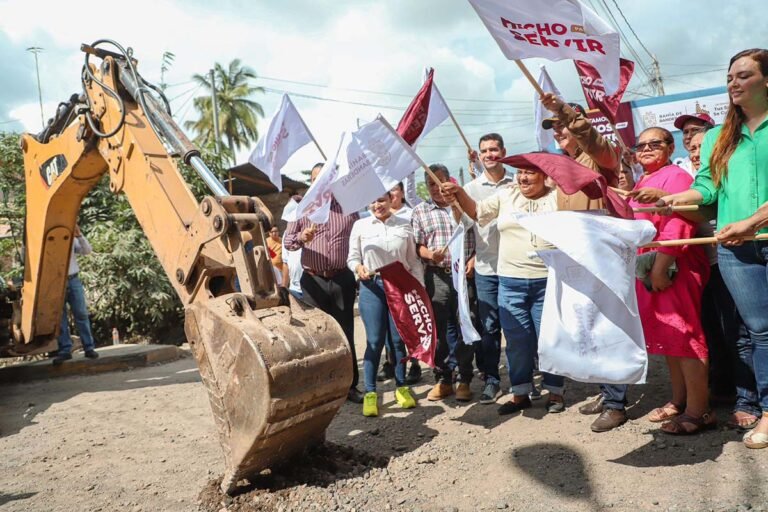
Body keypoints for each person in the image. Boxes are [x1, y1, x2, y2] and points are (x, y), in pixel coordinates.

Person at [659, 48, 768, 447]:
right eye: (730, 78)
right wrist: (676, 198)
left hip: (755, 233)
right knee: (760, 332)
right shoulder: (718, 138)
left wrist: (753, 221)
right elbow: (707, 188)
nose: (734, 83)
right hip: (736, 250)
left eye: (744, 75)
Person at [442, 167, 565, 415]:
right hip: (510, 282)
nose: (523, 177)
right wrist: (459, 193)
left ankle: (555, 392)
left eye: (530, 173)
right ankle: (520, 394)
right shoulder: (506, 194)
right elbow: (477, 212)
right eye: (520, 173)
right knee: (517, 342)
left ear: (543, 176)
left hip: (547, 282)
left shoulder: (558, 198)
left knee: (548, 340)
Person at [540, 93, 627, 432]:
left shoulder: (600, 157)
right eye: (554, 127)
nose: (558, 131)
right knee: (589, 327)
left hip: (601, 256)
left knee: (608, 327)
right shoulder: (564, 165)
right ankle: (607, 392)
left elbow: (591, 138)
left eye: (563, 124)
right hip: (575, 257)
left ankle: (617, 404)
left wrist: (564, 110)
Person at [630, 127, 713, 435]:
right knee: (670, 338)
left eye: (655, 143)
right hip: (652, 265)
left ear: (669, 147)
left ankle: (698, 411)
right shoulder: (643, 179)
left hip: (674, 265)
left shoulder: (676, 177)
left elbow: (680, 224)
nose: (646, 149)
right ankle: (679, 400)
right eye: (641, 145)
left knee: (685, 336)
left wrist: (661, 267)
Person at [283, 163, 363, 403]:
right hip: (313, 281)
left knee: (345, 333)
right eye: (315, 179)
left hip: (342, 279)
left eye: (324, 178)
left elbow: (359, 237)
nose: (319, 183)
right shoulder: (302, 209)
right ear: (311, 182)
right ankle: (322, 387)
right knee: (317, 335)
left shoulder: (348, 206)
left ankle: (350, 385)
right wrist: (301, 236)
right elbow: (288, 242)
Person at [348, 192, 422, 417]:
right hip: (372, 287)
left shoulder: (404, 224)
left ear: (391, 201)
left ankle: (401, 387)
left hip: (400, 286)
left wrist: (418, 289)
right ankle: (371, 392)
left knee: (398, 340)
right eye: (373, 201)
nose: (377, 205)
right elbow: (352, 257)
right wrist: (358, 268)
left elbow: (413, 261)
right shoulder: (360, 225)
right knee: (374, 340)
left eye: (381, 200)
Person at [411, 164, 475, 402]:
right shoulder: (420, 211)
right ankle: (444, 378)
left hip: (463, 276)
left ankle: (465, 378)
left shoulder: (463, 204)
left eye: (439, 182)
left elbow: (478, 236)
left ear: (448, 181)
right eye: (431, 183)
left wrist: (474, 258)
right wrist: (430, 255)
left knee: (466, 325)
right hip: (436, 276)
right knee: (438, 330)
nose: (436, 188)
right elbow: (417, 246)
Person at [465, 133, 515, 405]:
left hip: (516, 266)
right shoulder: (470, 189)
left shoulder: (519, 183)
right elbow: (463, 225)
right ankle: (492, 380)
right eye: (484, 151)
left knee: (518, 326)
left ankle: (522, 379)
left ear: (503, 152)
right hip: (486, 269)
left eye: (494, 149)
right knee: (490, 327)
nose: (489, 155)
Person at [377, 182, 422, 385]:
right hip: (383, 280)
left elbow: (414, 251)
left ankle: (415, 363)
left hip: (406, 278)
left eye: (394, 189)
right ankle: (391, 362)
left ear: (402, 192)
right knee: (388, 328)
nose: (392, 193)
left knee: (407, 325)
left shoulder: (410, 214)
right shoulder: (375, 216)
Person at [53, 225, 99, 365]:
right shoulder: (47, 240)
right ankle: (65, 350)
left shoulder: (70, 237)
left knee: (81, 314)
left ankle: (89, 347)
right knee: (59, 318)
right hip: (54, 282)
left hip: (72, 279)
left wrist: (79, 235)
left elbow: (87, 251)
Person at [673, 112, 715, 176]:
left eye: (695, 130)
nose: (688, 136)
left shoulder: (725, 163)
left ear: (710, 133)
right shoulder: (679, 168)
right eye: (685, 132)